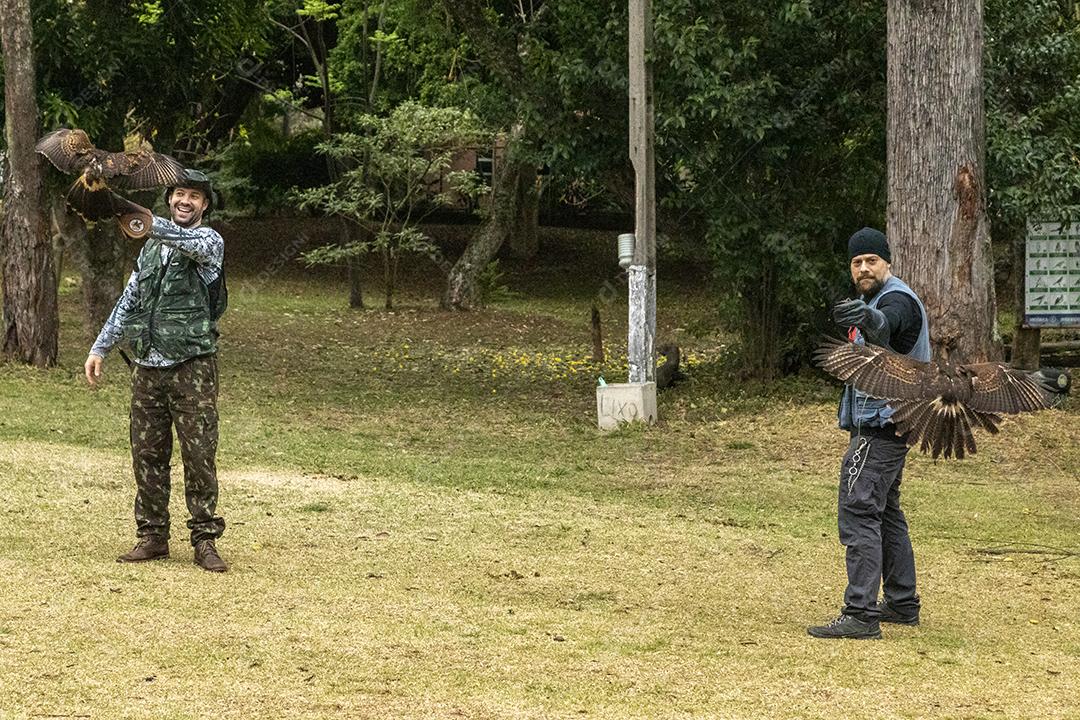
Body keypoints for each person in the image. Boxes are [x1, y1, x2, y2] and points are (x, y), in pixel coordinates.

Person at [84, 169, 229, 573]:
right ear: (170, 198)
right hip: (147, 366)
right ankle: (152, 537)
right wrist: (101, 346)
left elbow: (179, 238)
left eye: (195, 197)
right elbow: (129, 299)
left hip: (192, 366)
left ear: (204, 206)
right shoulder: (149, 248)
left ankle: (204, 540)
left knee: (199, 454)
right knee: (147, 454)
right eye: (179, 193)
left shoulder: (208, 240)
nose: (185, 201)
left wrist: (134, 214)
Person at [808, 227, 930, 639]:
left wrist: (867, 318)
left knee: (859, 508)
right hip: (885, 422)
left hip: (884, 424)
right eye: (857, 262)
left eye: (871, 261)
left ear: (887, 263)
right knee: (886, 511)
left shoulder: (897, 300)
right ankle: (901, 602)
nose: (863, 267)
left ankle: (859, 613)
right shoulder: (870, 298)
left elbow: (888, 325)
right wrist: (863, 312)